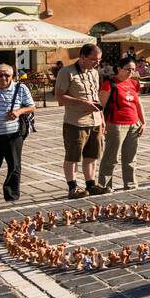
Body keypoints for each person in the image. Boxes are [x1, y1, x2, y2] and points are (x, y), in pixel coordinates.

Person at [0, 64, 36, 210]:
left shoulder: (20, 88)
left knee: (14, 165)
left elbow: (32, 107)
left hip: (13, 134)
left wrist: (19, 111)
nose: (3, 78)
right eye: (0, 75)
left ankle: (11, 194)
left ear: (13, 76)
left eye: (7, 75)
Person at [54, 43, 106, 198]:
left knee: (92, 155)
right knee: (73, 156)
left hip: (95, 121)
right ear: (82, 57)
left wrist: (101, 119)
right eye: (94, 59)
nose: (97, 63)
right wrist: (82, 103)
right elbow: (59, 96)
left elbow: (95, 97)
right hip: (75, 122)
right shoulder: (67, 72)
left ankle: (91, 184)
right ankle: (73, 187)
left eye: (99, 59)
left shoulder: (94, 73)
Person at [95, 55, 145, 192]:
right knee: (111, 156)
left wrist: (143, 121)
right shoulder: (109, 84)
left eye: (133, 70)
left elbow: (138, 103)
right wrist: (102, 124)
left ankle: (130, 183)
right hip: (115, 124)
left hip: (133, 123)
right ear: (118, 69)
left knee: (131, 157)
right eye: (128, 69)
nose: (131, 72)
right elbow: (101, 106)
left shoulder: (134, 83)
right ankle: (105, 185)